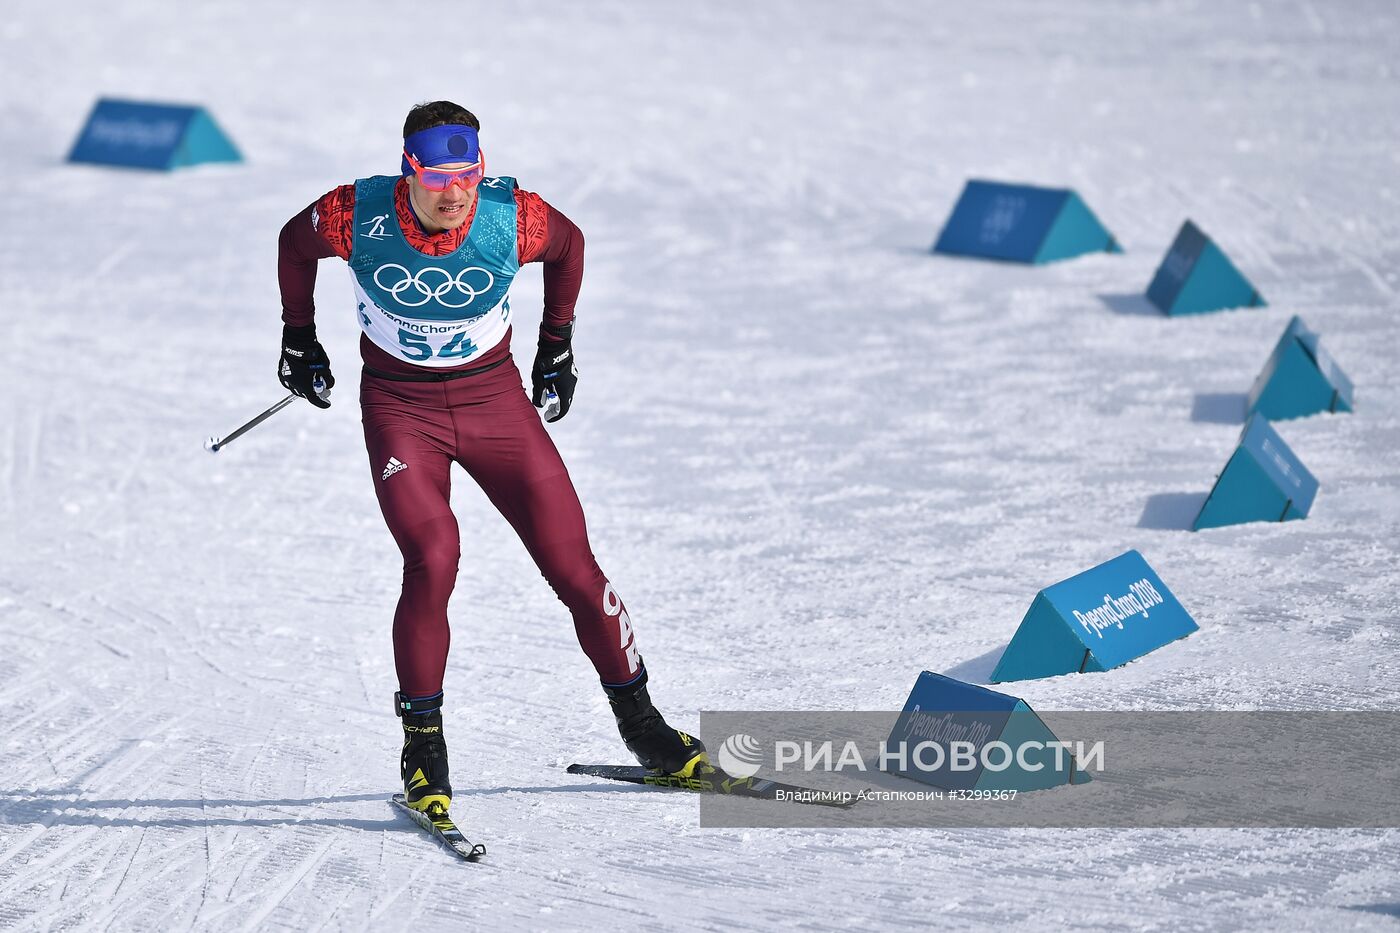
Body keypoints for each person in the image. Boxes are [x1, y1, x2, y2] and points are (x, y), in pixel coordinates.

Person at [275, 100, 706, 816]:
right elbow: (294, 242)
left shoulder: (517, 217)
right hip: (401, 410)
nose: (454, 193)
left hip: (494, 405)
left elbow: (570, 248)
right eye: (438, 177)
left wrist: (557, 344)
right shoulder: (356, 213)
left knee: (575, 567)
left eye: (467, 176)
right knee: (434, 553)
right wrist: (298, 337)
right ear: (407, 170)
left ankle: (647, 730)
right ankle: (424, 749)